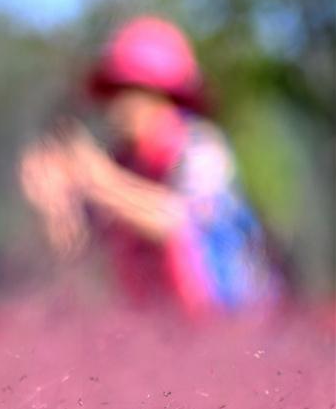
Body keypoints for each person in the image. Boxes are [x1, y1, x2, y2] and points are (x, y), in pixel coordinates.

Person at [20, 16, 279, 316]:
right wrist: (54, 205)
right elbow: (77, 246)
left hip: (234, 322)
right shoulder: (123, 161)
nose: (116, 106)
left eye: (129, 91)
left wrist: (100, 181)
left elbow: (176, 222)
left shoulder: (200, 148)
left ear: (162, 95)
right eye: (113, 92)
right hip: (163, 333)